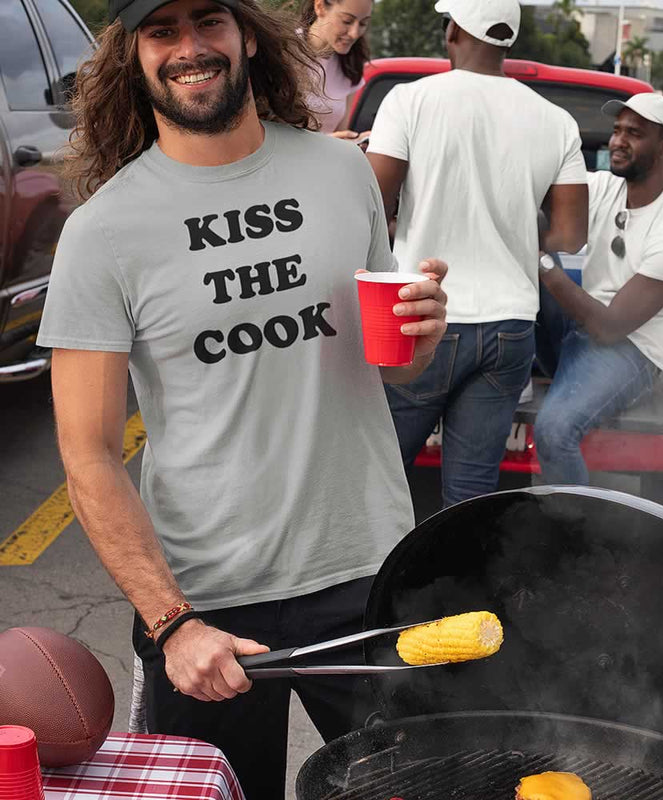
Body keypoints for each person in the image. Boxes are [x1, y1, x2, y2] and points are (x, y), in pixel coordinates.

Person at [36, 0, 447, 797]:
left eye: (208, 21)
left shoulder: (342, 174)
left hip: (365, 574)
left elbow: (391, 365)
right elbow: (86, 451)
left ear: (247, 34)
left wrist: (421, 339)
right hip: (205, 606)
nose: (190, 48)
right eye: (162, 31)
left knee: (418, 787)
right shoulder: (103, 232)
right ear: (135, 55)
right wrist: (171, 623)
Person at [366, 0, 588, 508]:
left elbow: (372, 203)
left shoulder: (411, 100)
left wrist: (403, 226)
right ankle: (459, 587)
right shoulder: (555, 121)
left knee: (381, 476)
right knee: (470, 495)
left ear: (453, 32)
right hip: (511, 327)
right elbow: (571, 235)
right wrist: (509, 231)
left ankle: (377, 584)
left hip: (427, 318)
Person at [534, 93, 663, 485]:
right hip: (578, 330)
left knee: (555, 431)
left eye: (634, 133)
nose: (618, 141)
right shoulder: (603, 188)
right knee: (522, 226)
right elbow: (536, 189)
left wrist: (541, 261)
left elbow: (610, 328)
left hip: (629, 350)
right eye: (616, 130)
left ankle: (571, 536)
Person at [300, 0, 372, 138]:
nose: (355, 33)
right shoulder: (282, 52)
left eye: (363, 24)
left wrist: (356, 140)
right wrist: (327, 142)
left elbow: (339, 134)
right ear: (320, 7)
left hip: (322, 158)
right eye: (347, 21)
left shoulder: (351, 66)